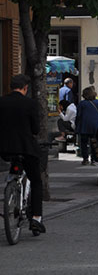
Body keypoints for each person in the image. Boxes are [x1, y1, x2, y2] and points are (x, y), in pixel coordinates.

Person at [0, 74, 45, 233]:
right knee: (36, 181)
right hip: (26, 148)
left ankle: (10, 191)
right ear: (25, 88)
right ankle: (36, 218)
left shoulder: (2, 102)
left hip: (5, 149)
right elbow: (35, 129)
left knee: (14, 168)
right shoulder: (30, 104)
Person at [75, 86, 98, 165]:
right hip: (96, 126)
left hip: (84, 126)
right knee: (94, 143)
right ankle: (94, 159)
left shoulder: (82, 104)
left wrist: (77, 125)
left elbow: (78, 115)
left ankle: (85, 158)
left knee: (84, 143)